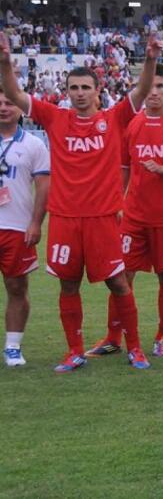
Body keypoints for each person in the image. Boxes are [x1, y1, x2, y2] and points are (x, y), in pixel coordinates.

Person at [0, 30, 161, 372]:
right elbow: (13, 93)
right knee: (68, 283)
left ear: (97, 91)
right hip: (64, 218)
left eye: (86, 87)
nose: (79, 93)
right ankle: (74, 351)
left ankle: (134, 348)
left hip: (103, 218)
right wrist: (4, 62)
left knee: (118, 282)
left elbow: (143, 90)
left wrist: (150, 60)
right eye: (74, 88)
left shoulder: (113, 119)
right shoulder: (55, 118)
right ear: (67, 92)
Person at [89, 64, 163, 358]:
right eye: (149, 87)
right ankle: (114, 336)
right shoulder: (131, 124)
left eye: (160, 86)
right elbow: (123, 170)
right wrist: (116, 203)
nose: (154, 92)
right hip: (134, 214)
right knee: (121, 275)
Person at [0, 91, 50, 367]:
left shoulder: (33, 144)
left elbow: (43, 187)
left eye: (9, 103)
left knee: (16, 286)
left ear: (21, 109)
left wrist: (35, 223)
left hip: (16, 227)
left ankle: (12, 346)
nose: (3, 108)